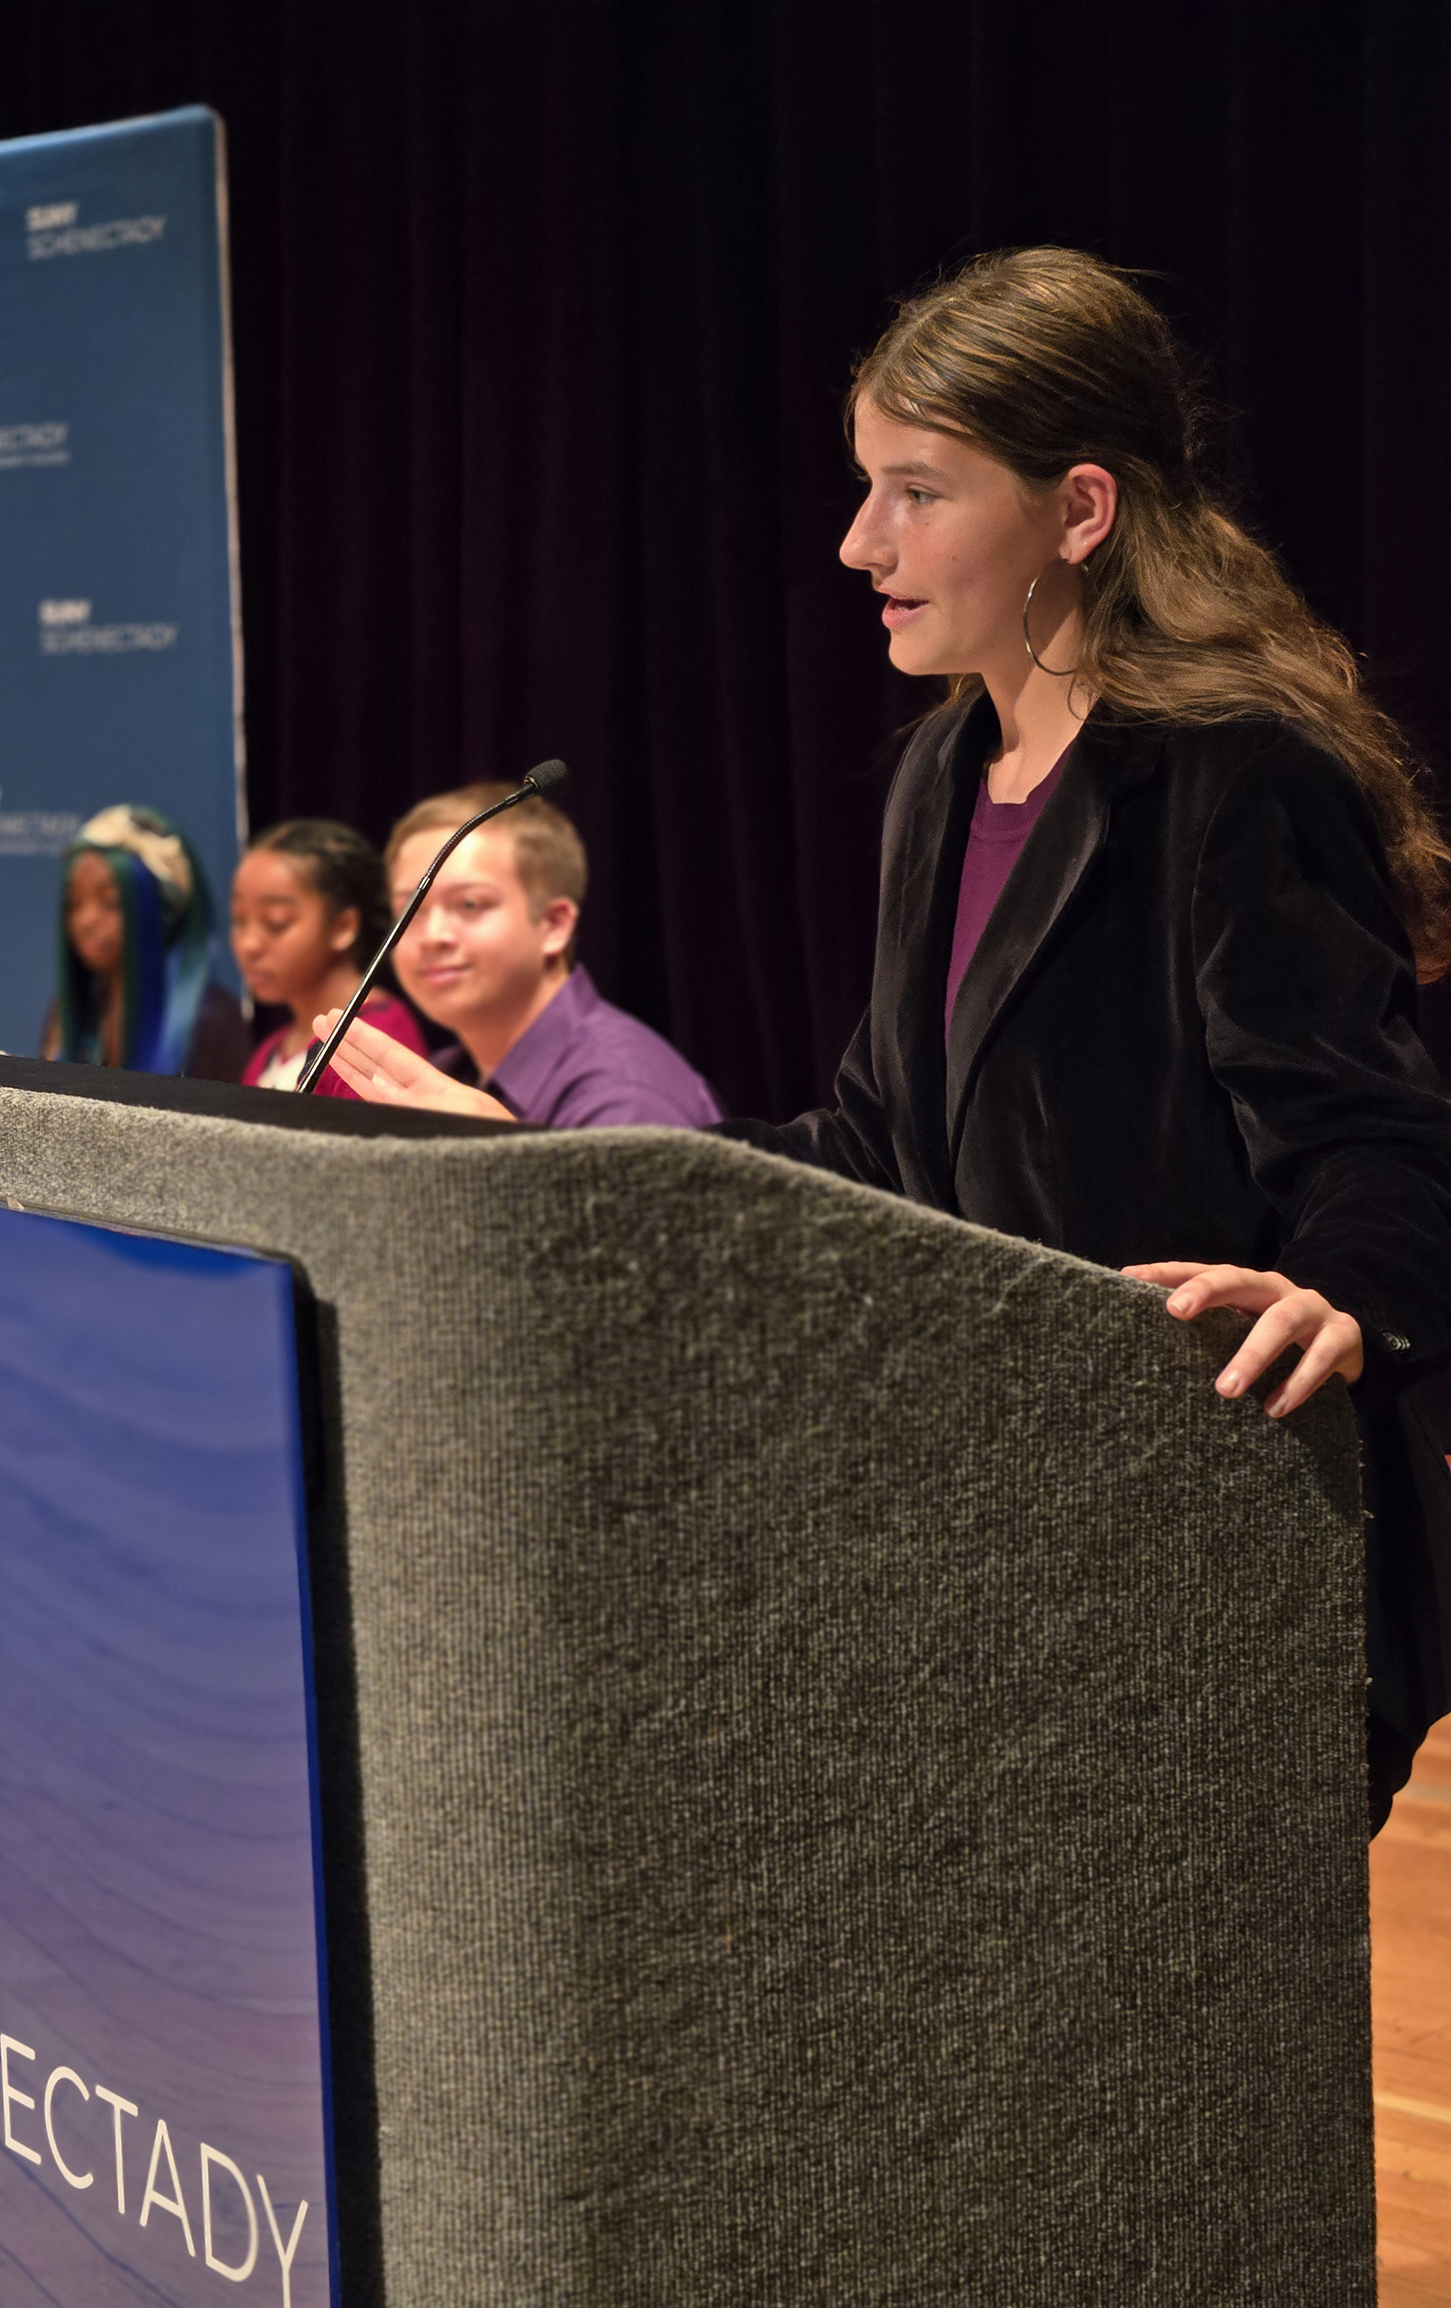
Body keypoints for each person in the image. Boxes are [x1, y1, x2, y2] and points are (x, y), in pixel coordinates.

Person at [318, 249, 1451, 1830]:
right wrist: (546, 1167)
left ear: (1079, 510)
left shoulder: (1230, 773)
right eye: (866, 490)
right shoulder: (941, 778)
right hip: (996, 1543)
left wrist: (1346, 1294)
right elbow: (867, 1149)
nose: (861, 544)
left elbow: (1377, 1140)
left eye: (916, 491)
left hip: (1213, 1540)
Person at [377, 783, 721, 1128]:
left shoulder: (625, 1097)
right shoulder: (445, 1074)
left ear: (554, 924)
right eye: (412, 909)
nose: (433, 937)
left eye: (470, 904)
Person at [42, 805, 249, 1082]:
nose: (86, 920)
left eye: (111, 902)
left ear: (163, 909)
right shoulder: (66, 1012)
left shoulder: (212, 1019)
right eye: (74, 903)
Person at [231, 818, 426, 1099]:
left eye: (276, 922)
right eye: (238, 920)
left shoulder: (376, 1039)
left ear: (343, 927)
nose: (248, 945)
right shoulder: (270, 1050)